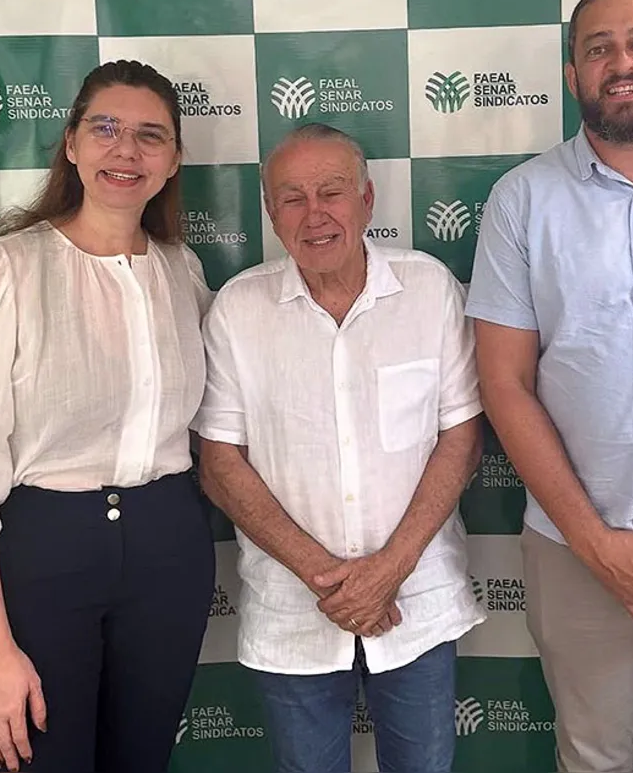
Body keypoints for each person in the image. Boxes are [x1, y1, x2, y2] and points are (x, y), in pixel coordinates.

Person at [193, 122, 484, 773]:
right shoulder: (238, 309)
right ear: (271, 213)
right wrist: (328, 578)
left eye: (332, 191)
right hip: (293, 612)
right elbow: (219, 463)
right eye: (292, 198)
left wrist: (388, 571)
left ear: (367, 199)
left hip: (417, 604)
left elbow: (462, 440)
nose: (314, 213)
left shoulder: (429, 289)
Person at [466, 0, 633, 772]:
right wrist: (595, 542)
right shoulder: (522, 200)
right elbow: (504, 383)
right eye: (598, 48)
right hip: (574, 546)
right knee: (593, 758)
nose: (620, 62)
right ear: (573, 74)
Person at [0, 59, 215, 773]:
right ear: (72, 143)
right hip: (42, 554)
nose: (126, 150)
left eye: (150, 135)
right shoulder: (4, 270)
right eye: (105, 128)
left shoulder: (183, 271)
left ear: (173, 160)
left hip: (170, 549)